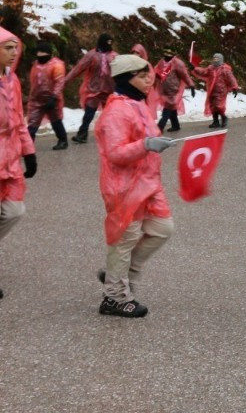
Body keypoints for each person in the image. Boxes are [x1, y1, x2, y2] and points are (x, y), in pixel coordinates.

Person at [94, 54, 176, 317]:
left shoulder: (139, 103)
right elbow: (115, 153)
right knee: (124, 240)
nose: (149, 78)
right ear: (126, 79)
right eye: (142, 75)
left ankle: (118, 274)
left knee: (163, 228)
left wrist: (154, 143)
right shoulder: (117, 109)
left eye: (148, 73)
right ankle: (114, 298)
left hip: (149, 183)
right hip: (124, 187)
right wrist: (147, 145)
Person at [1, 26, 37, 299]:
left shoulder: (12, 80)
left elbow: (19, 118)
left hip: (10, 159)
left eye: (15, 47)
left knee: (14, 210)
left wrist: (29, 151)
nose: (14, 53)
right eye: (7, 48)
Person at [67, 33, 116, 143]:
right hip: (94, 88)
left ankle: (112, 133)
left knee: (110, 113)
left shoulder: (114, 55)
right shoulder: (92, 55)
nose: (109, 45)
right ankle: (82, 134)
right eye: (107, 42)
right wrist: (65, 80)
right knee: (89, 112)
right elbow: (79, 68)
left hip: (109, 89)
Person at [26, 42, 69, 150]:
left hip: (51, 99)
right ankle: (27, 145)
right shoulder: (36, 64)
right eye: (39, 55)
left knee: (56, 121)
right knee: (32, 123)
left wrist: (54, 97)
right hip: (36, 99)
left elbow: (59, 82)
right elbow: (34, 81)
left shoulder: (56, 65)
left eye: (43, 55)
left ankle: (63, 140)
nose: (41, 57)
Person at [153, 49, 195, 133]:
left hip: (173, 90)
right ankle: (175, 125)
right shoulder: (161, 62)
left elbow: (185, 76)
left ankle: (160, 126)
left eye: (169, 54)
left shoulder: (177, 63)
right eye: (166, 53)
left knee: (167, 108)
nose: (167, 56)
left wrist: (191, 86)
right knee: (171, 108)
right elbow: (156, 72)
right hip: (164, 89)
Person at [193, 54, 239, 128]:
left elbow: (231, 79)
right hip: (212, 90)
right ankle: (216, 121)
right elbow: (204, 72)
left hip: (221, 91)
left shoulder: (225, 69)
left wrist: (235, 87)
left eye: (217, 59)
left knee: (219, 106)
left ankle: (224, 118)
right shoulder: (210, 68)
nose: (215, 60)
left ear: (221, 59)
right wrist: (195, 69)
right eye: (214, 59)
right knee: (213, 107)